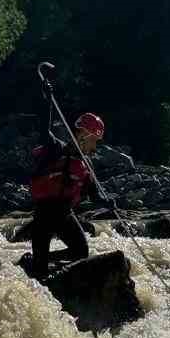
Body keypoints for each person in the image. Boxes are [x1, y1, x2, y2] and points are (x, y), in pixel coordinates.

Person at [28, 112, 111, 282]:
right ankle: (36, 262)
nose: (95, 147)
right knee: (40, 272)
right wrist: (47, 102)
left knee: (81, 252)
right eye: (94, 140)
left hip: (64, 215)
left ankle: (45, 263)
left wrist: (108, 202)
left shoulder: (85, 166)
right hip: (43, 216)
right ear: (82, 135)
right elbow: (44, 129)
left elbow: (95, 195)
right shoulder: (56, 149)